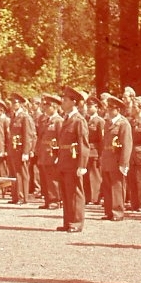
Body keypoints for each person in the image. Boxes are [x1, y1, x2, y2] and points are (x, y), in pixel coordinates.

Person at [55, 87, 90, 232]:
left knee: (75, 192)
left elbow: (83, 144)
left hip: (73, 161)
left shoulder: (79, 120)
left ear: (73, 102)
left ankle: (76, 222)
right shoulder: (67, 118)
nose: (62, 102)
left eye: (65, 100)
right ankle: (68, 221)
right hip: (65, 160)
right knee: (66, 192)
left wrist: (82, 165)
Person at [100, 95, 132, 221]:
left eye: (111, 108)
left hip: (117, 158)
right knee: (107, 186)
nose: (108, 110)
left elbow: (127, 144)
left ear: (118, 109)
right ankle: (109, 211)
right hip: (107, 157)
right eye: (108, 107)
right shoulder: (108, 123)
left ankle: (118, 212)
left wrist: (124, 163)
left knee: (117, 186)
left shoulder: (123, 124)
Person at [7, 92, 35, 205]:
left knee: (22, 173)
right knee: (14, 173)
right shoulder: (14, 116)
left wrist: (26, 151)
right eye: (12, 102)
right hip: (14, 148)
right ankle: (15, 196)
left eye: (15, 103)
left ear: (20, 104)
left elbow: (28, 135)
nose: (13, 105)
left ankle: (23, 197)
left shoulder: (25, 117)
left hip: (20, 149)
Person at [36, 93, 63, 210]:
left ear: (54, 107)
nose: (45, 108)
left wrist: (59, 155)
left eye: (48, 106)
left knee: (53, 178)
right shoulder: (46, 120)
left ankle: (55, 200)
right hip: (44, 152)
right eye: (45, 106)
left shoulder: (58, 121)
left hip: (52, 152)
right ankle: (47, 199)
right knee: (45, 178)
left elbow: (61, 139)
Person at [84, 95, 105, 205]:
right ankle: (87, 197)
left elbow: (102, 140)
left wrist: (101, 155)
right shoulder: (86, 120)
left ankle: (95, 197)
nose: (88, 108)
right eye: (87, 106)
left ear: (96, 107)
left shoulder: (99, 121)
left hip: (95, 151)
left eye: (90, 106)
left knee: (95, 175)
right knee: (86, 175)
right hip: (86, 151)